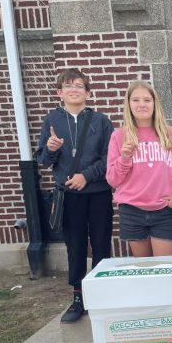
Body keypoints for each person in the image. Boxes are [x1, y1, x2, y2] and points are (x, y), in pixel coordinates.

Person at [36, 68, 113, 323]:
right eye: (68, 86)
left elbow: (108, 158)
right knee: (76, 245)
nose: (73, 90)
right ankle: (78, 297)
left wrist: (87, 176)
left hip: (98, 192)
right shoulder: (52, 121)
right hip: (69, 196)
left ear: (88, 93)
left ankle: (101, 294)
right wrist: (50, 149)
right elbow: (43, 161)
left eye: (79, 86)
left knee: (101, 243)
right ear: (60, 92)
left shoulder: (101, 121)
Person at [106, 81, 172, 256]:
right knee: (144, 271)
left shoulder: (170, 134)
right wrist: (124, 158)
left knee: (165, 269)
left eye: (147, 100)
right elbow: (112, 179)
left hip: (164, 211)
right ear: (128, 104)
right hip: (132, 211)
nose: (141, 105)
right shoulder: (119, 137)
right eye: (136, 100)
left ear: (155, 103)